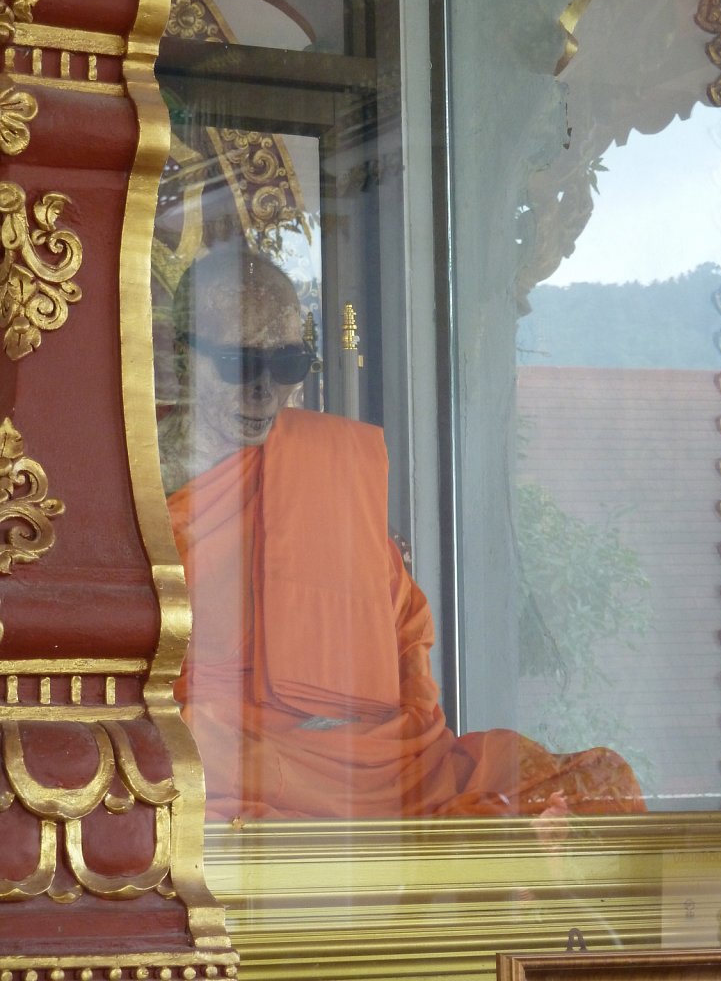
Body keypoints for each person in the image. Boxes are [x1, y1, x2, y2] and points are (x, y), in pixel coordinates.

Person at [160, 241, 646, 821]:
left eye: (287, 364)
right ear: (182, 355)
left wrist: (398, 731)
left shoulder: (324, 469)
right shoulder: (130, 487)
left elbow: (405, 632)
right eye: (240, 362)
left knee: (596, 789)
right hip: (231, 755)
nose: (266, 390)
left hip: (378, 759)